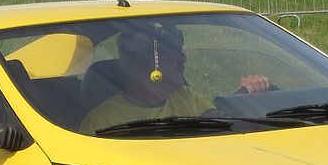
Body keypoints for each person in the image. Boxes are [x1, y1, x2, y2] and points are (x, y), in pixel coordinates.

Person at [80, 23, 270, 134]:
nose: (183, 58)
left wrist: (243, 95)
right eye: (172, 53)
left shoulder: (185, 97)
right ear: (146, 62)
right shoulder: (102, 120)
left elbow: (222, 124)